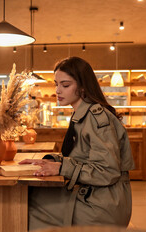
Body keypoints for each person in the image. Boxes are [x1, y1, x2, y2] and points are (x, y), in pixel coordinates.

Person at [19, 57, 135, 230]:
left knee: (25, 205)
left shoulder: (96, 118)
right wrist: (53, 161)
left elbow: (107, 172)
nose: (58, 90)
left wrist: (61, 168)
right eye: (56, 84)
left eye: (65, 85)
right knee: (31, 195)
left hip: (102, 203)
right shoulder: (82, 114)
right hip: (95, 194)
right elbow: (83, 158)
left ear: (82, 86)